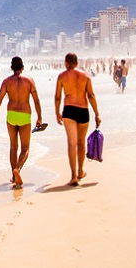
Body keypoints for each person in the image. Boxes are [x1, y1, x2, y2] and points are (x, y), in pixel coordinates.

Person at [0, 57, 43, 190]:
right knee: (25, 148)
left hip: (11, 116)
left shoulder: (7, 82)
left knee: (13, 146)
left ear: (11, 68)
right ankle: (17, 169)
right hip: (25, 116)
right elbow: (36, 101)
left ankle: (14, 177)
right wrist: (39, 117)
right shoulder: (29, 81)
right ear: (23, 67)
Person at [54, 53, 101, 187]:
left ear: (66, 63)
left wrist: (57, 112)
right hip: (83, 110)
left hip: (69, 110)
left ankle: (73, 176)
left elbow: (57, 97)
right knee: (81, 143)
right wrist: (97, 113)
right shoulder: (85, 76)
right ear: (77, 63)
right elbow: (91, 95)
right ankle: (80, 171)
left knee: (71, 143)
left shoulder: (62, 76)